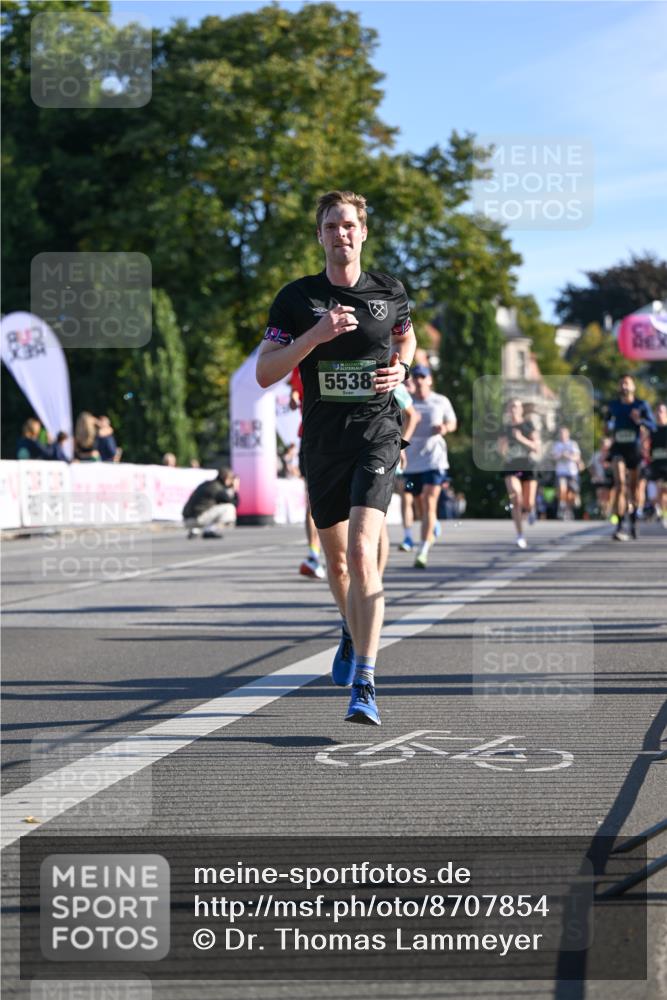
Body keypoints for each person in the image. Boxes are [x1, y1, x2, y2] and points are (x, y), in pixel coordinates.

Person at [256, 189, 416, 726]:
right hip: (323, 441)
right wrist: (315, 336)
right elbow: (265, 371)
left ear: (363, 232)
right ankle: (350, 626)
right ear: (320, 235)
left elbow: (406, 338)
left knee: (363, 550)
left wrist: (402, 368)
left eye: (349, 225)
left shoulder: (389, 291)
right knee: (338, 561)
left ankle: (366, 683)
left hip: (377, 432)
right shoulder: (297, 298)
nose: (341, 234)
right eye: (330, 227)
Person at [401, 365, 457, 569]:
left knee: (429, 500)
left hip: (435, 460)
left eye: (423, 376)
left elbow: (453, 423)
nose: (419, 380)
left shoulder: (440, 401)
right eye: (415, 376)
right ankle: (431, 523)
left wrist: (445, 428)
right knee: (419, 506)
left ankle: (422, 550)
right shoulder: (407, 402)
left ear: (430, 380)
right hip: (412, 461)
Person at [378, 380, 420, 578]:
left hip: (381, 453)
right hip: (345, 454)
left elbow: (413, 415)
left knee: (377, 521)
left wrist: (402, 443)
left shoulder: (389, 377)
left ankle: (374, 578)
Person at [606, 375, 655, 540]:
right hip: (618, 448)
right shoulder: (613, 405)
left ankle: (633, 523)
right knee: (620, 484)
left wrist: (639, 420)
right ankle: (620, 526)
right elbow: (607, 424)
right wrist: (608, 430)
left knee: (634, 489)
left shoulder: (641, 405)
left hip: (634, 450)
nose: (624, 386)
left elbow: (653, 426)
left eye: (627, 383)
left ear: (633, 386)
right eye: (621, 383)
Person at [289, 366, 326, 580]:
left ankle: (345, 553)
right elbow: (296, 390)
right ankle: (313, 554)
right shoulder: (301, 360)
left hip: (344, 432)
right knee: (312, 500)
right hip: (311, 435)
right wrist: (294, 399)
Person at [498, 398, 540, 548]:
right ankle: (520, 535)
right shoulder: (505, 428)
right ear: (508, 410)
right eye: (511, 407)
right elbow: (501, 450)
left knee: (528, 502)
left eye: (517, 406)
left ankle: (531, 509)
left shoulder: (528, 425)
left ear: (521, 409)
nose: (514, 409)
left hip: (527, 465)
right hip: (511, 466)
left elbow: (536, 447)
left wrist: (520, 439)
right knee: (516, 498)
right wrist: (503, 449)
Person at [182, 467, 239, 538]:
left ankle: (195, 530)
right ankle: (210, 530)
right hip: (198, 519)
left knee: (212, 507)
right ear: (226, 478)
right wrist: (235, 489)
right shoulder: (217, 488)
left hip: (187, 519)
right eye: (231, 479)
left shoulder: (206, 483)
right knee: (229, 508)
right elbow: (233, 503)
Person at [551, 426, 582, 520]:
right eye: (561, 433)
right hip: (561, 471)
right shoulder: (556, 445)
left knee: (570, 494)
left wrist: (568, 456)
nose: (562, 435)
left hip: (572, 472)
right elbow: (553, 458)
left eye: (564, 433)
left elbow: (577, 457)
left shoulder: (572, 444)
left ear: (568, 434)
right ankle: (562, 505)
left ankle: (568, 510)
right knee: (562, 488)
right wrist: (561, 455)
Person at [646, 401, 667, 529]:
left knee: (665, 491)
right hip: (657, 464)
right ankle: (662, 513)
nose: (659, 414)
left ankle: (663, 513)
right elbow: (646, 447)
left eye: (662, 411)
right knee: (661, 490)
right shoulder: (652, 430)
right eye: (657, 411)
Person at [588, 437, 614, 520]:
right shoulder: (596, 455)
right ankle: (603, 512)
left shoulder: (611, 454)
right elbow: (591, 466)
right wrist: (594, 475)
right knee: (600, 495)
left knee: (608, 496)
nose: (605, 446)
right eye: (603, 445)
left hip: (609, 478)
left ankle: (608, 511)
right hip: (599, 478)